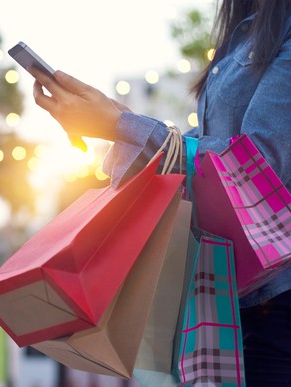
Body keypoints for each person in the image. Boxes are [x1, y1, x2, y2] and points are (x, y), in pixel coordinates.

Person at [29, 0, 291, 385]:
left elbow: (259, 162)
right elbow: (211, 145)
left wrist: (123, 125)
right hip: (236, 297)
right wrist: (119, 122)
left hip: (278, 300)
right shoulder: (247, 32)